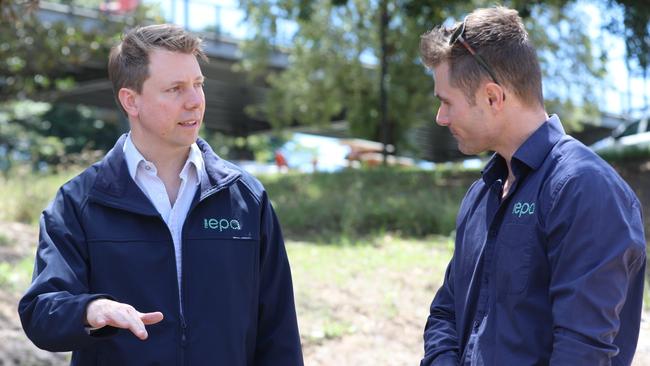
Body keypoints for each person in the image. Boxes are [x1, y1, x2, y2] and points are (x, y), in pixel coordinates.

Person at [19, 24, 303, 365]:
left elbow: (278, 331)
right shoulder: (79, 202)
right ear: (131, 100)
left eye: (198, 85)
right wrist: (91, 309)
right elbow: (41, 311)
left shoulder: (246, 198)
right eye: (175, 89)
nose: (195, 101)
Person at [418, 6, 646, 365]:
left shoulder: (584, 189)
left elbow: (582, 352)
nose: (440, 117)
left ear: (493, 98)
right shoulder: (482, 193)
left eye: (446, 103)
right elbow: (446, 312)